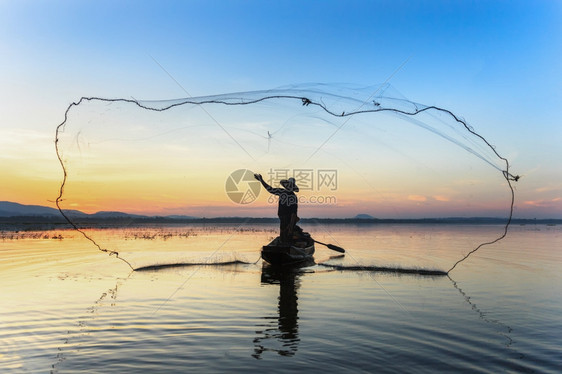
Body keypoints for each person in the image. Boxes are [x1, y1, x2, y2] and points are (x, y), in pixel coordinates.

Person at [254, 173, 299, 243]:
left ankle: (287, 244)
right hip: (282, 217)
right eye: (288, 185)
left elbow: (294, 213)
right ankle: (284, 243)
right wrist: (261, 180)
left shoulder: (293, 197)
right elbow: (270, 189)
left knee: (287, 235)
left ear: (292, 187)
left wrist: (291, 225)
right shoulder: (282, 192)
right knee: (283, 235)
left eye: (290, 185)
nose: (288, 186)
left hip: (289, 218)